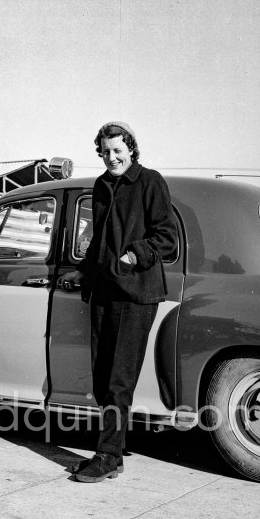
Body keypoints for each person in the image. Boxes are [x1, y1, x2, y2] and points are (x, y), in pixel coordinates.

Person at [60, 121, 177, 483]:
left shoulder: (150, 181)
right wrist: (84, 272)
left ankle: (108, 455)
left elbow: (166, 237)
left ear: (131, 149)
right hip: (104, 290)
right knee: (101, 377)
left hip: (135, 292)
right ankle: (113, 450)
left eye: (117, 150)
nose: (111, 157)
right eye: (105, 151)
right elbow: (98, 239)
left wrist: (133, 255)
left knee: (117, 379)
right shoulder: (101, 185)